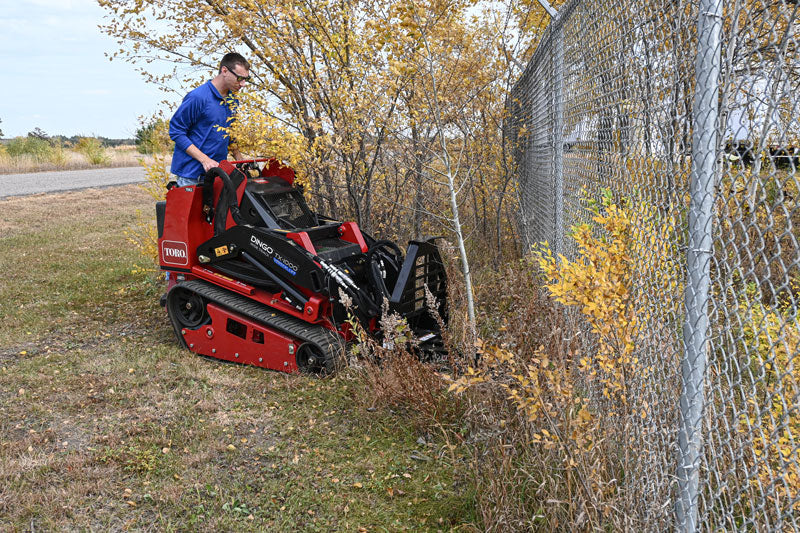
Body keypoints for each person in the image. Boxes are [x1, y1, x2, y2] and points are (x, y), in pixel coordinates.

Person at [169, 53, 251, 187]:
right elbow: (176, 132)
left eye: (246, 79)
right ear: (225, 71)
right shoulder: (198, 97)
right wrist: (205, 160)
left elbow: (229, 134)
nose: (243, 84)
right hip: (192, 176)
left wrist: (239, 160)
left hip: (217, 174)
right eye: (240, 78)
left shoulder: (233, 101)